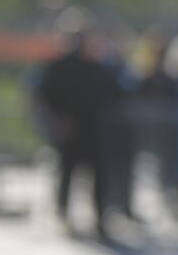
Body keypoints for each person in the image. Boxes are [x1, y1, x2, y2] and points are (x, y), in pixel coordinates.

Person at [34, 30, 123, 239]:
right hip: (70, 128)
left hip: (94, 130)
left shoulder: (97, 67)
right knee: (68, 173)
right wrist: (57, 119)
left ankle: (100, 218)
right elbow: (44, 94)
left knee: (99, 176)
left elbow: (112, 93)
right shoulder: (59, 67)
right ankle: (63, 214)